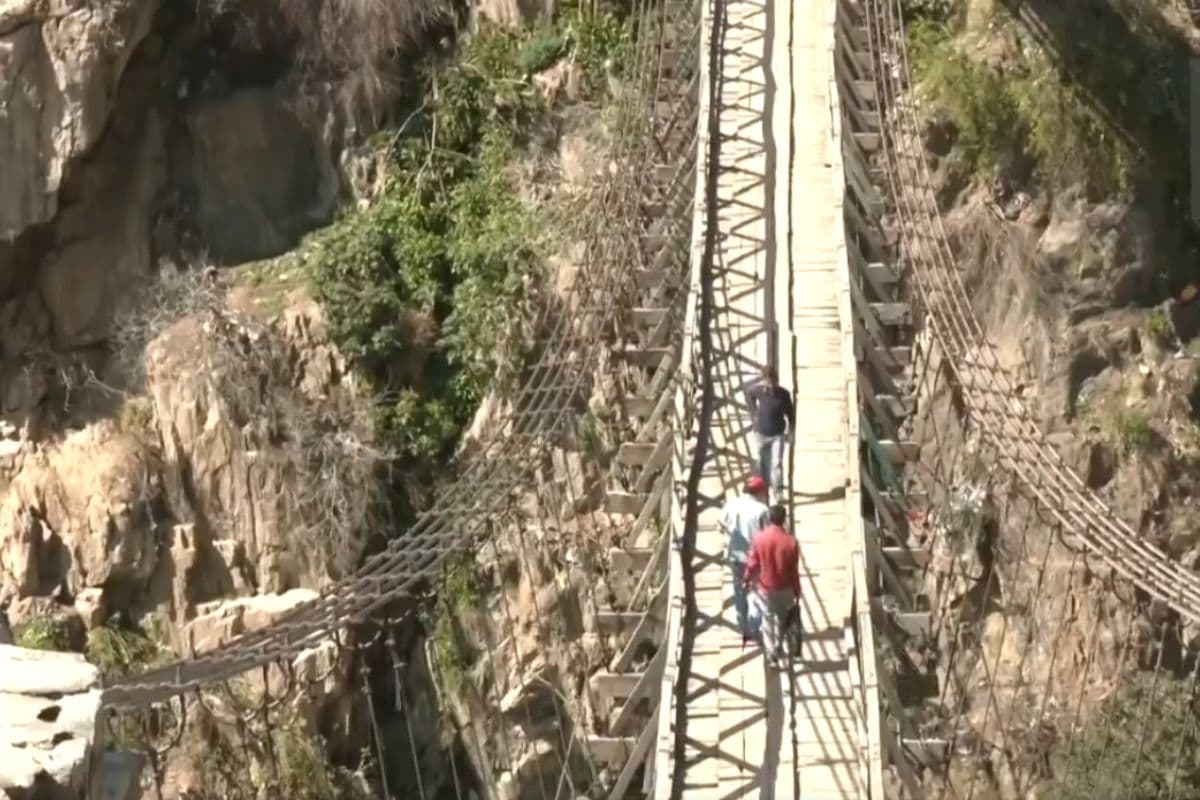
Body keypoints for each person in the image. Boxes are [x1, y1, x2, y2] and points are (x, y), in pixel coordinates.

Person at [743, 504, 801, 670]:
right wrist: (797, 590)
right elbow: (793, 571)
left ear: (769, 518)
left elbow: (753, 563)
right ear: (784, 520)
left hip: (765, 587)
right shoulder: (791, 542)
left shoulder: (759, 538)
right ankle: (779, 644)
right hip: (786, 588)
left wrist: (746, 578)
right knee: (783, 619)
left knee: (767, 619)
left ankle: (771, 655)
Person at [719, 475, 770, 644]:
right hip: (755, 557)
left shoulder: (732, 504)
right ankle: (755, 625)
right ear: (759, 492)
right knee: (757, 590)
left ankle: (742, 624)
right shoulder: (762, 509)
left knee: (739, 589)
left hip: (736, 554)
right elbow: (767, 532)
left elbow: (721, 521)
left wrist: (731, 534)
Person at [746, 365, 794, 502]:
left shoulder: (784, 394)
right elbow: (749, 395)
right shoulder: (759, 391)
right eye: (767, 382)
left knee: (777, 463)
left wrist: (791, 430)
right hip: (761, 433)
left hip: (777, 434)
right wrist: (753, 412)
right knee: (762, 463)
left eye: (772, 382)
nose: (770, 385)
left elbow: (790, 413)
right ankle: (764, 489)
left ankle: (777, 491)